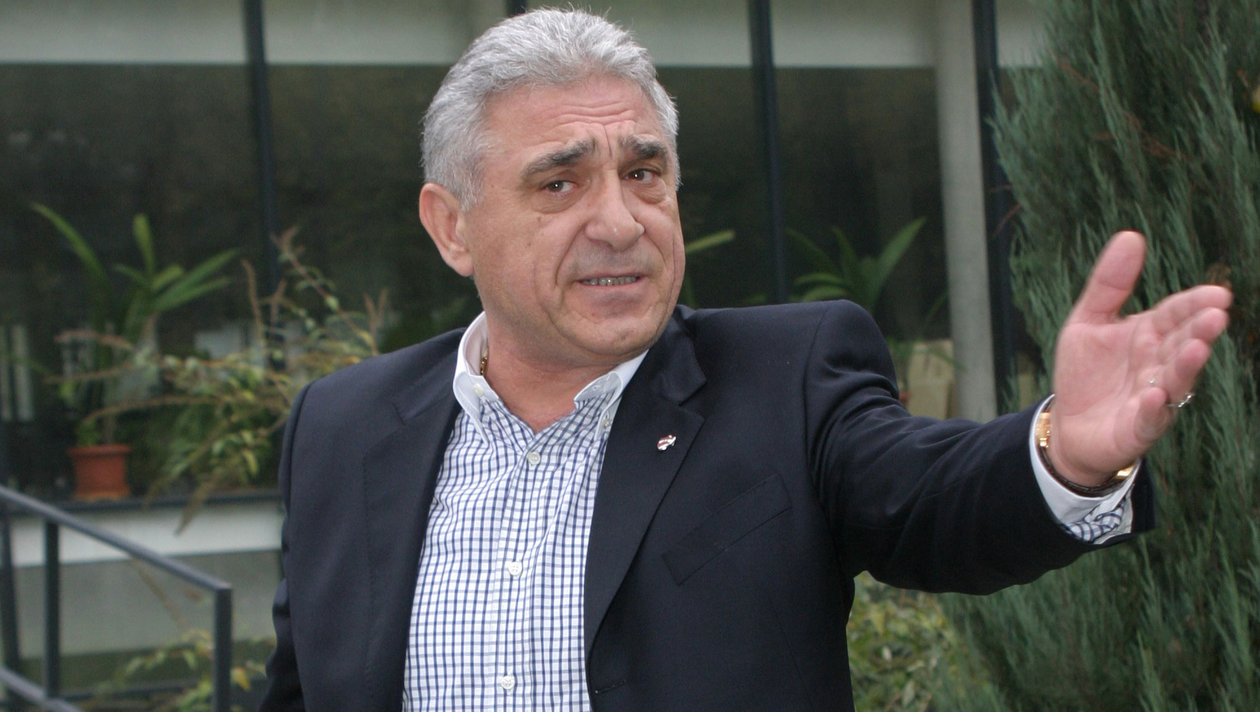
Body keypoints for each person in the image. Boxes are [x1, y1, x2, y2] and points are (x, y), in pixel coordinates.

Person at [258, 9, 1232, 712]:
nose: (619, 221)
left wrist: (1062, 453)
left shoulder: (784, 380)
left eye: (644, 173)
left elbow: (928, 499)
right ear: (452, 227)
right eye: (559, 184)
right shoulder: (342, 427)